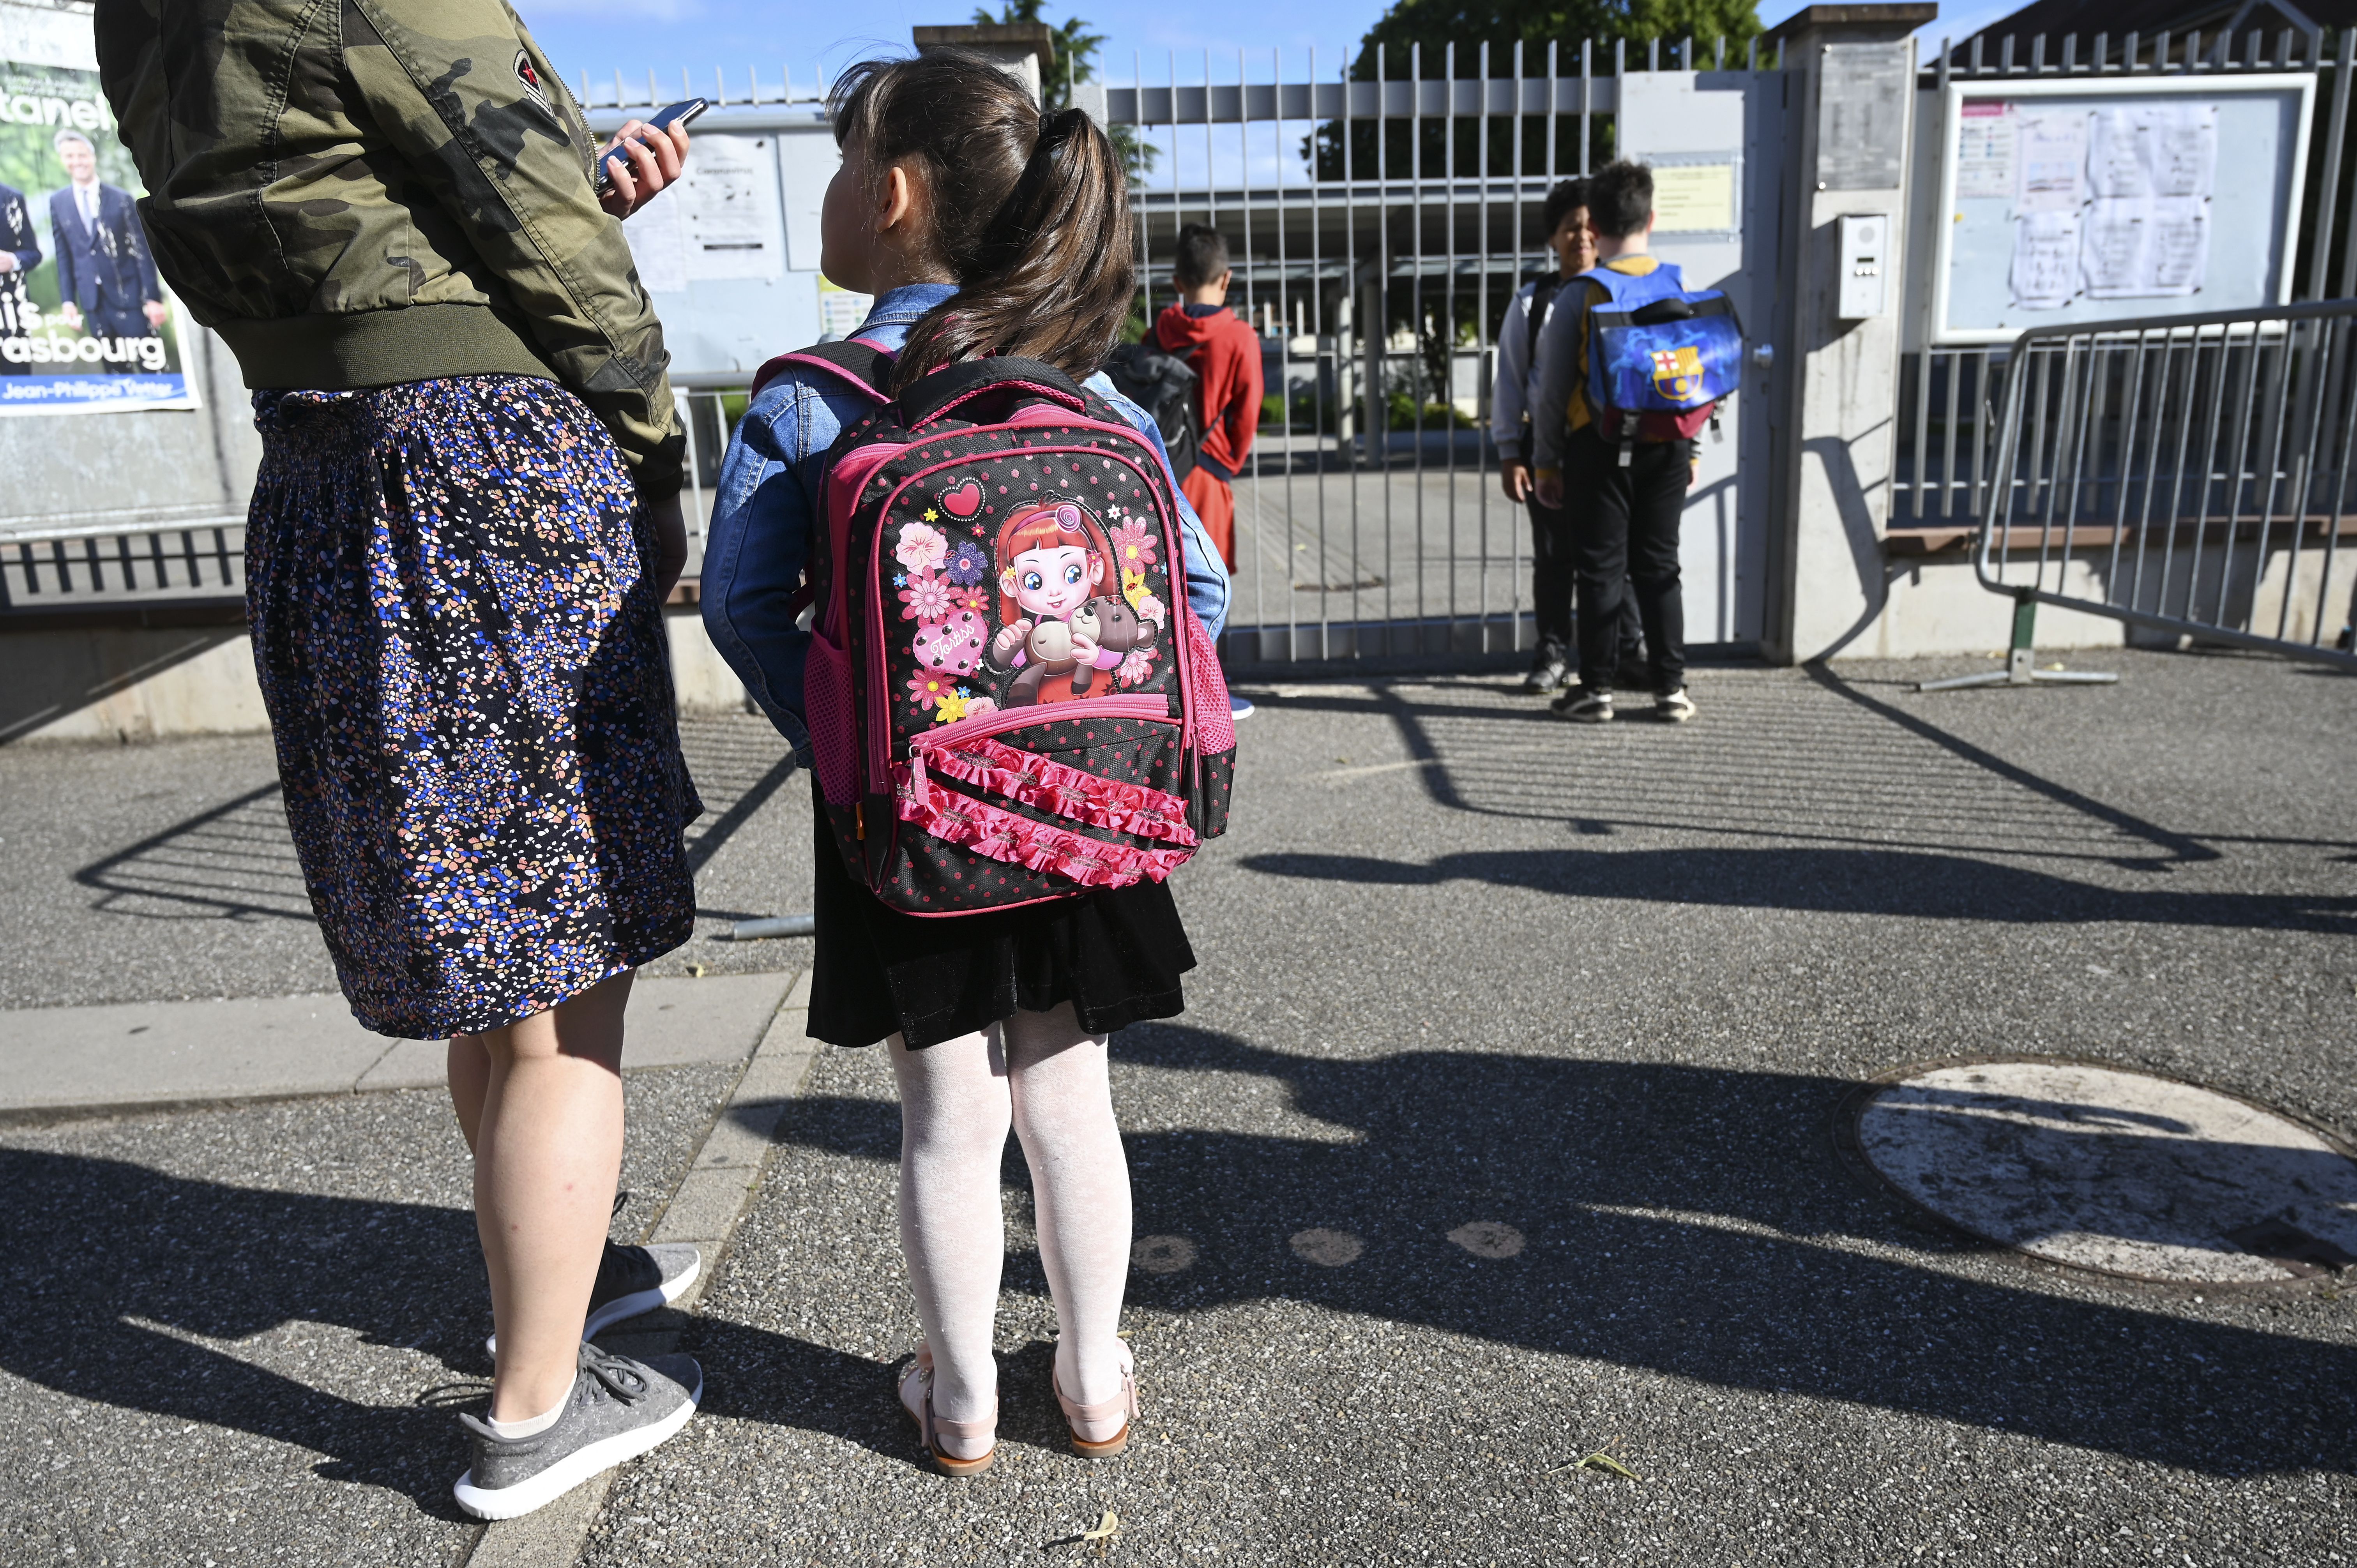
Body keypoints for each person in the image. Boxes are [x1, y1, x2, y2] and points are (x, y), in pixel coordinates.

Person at [98, 0, 712, 1518]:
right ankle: (535, 1410)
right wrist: (646, 438)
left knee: (489, 956)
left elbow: (363, 205)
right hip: (487, 469)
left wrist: (572, 179)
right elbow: (544, 236)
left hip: (320, 465)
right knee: (572, 982)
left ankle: (547, 1285)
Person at [700, 49, 1230, 1476]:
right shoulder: (1089, 397)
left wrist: (855, 747)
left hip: (904, 820)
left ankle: (959, 1398)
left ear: (889, 191)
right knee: (1072, 1096)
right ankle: (1094, 1373)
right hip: (1080, 808)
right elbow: (1200, 596)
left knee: (942, 1114)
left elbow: (739, 601)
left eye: (840, 157)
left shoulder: (812, 396)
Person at [1531, 160, 1699, 725]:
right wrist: (1691, 450)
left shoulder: (1582, 292)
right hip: (1668, 445)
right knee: (1660, 567)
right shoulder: (1676, 282)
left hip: (1598, 444)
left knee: (1600, 569)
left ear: (1595, 228)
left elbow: (1552, 388)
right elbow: (1692, 374)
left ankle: (1595, 689)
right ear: (1651, 219)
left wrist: (1547, 463)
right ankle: (1671, 689)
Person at [1493, 177, 1643, 694]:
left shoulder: (1622, 294)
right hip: (1546, 451)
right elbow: (1511, 382)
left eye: (1589, 227)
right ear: (1552, 239)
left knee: (1612, 557)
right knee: (1555, 557)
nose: (1581, 237)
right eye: (1569, 228)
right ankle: (1553, 652)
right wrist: (1512, 453)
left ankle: (1625, 651)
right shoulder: (1533, 302)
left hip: (1610, 446)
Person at [1152, 222, 1260, 576]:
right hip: (1209, 476)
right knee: (1208, 597)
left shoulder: (1159, 334)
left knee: (1161, 595)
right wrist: (1227, 463)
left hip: (1160, 475)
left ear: (1178, 283)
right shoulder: (1240, 338)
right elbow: (1247, 414)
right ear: (1226, 279)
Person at [46, 129, 166, 366]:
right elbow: (64, 256)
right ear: (63, 160)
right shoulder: (58, 202)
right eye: (70, 156)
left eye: (82, 155)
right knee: (114, 370)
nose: (77, 162)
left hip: (129, 298)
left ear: (92, 158)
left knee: (151, 366)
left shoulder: (120, 199)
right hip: (93, 304)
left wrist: (152, 298)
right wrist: (69, 301)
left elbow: (141, 250)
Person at [0, 180, 39, 373]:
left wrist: (13, 260)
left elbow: (33, 253)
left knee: (16, 375)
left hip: (10, 313)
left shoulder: (11, 197)